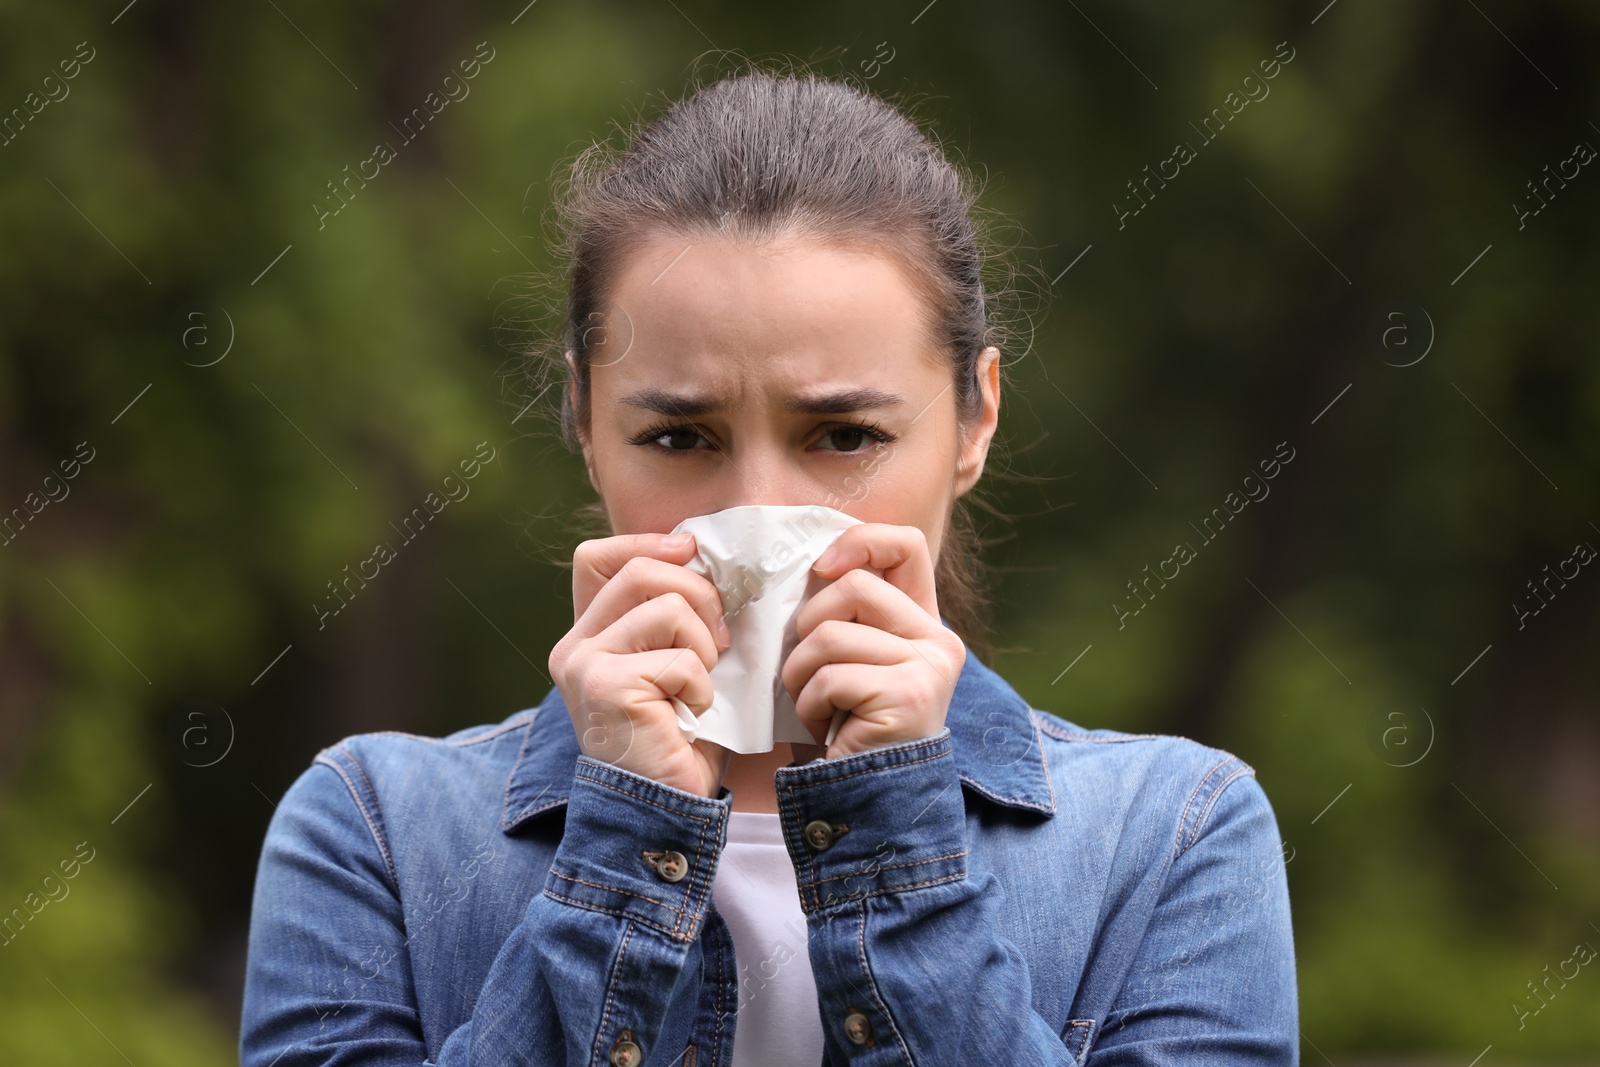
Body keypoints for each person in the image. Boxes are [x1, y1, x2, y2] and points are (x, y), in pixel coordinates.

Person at [240, 64, 1298, 1066]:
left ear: (973, 418)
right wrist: (625, 839)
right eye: (680, 437)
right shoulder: (376, 829)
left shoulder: (1171, 837)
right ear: (583, 417)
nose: (758, 509)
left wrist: (893, 837)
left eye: (842, 437)